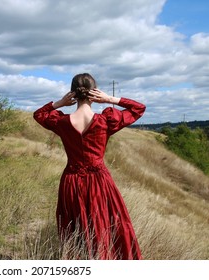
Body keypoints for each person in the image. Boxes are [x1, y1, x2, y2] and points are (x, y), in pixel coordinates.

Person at [33, 73, 145, 260]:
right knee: (107, 227)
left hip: (71, 181)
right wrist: (110, 99)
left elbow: (39, 115)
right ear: (95, 93)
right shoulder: (105, 121)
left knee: (74, 229)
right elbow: (139, 109)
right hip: (100, 181)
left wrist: (59, 103)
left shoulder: (61, 122)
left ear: (73, 93)